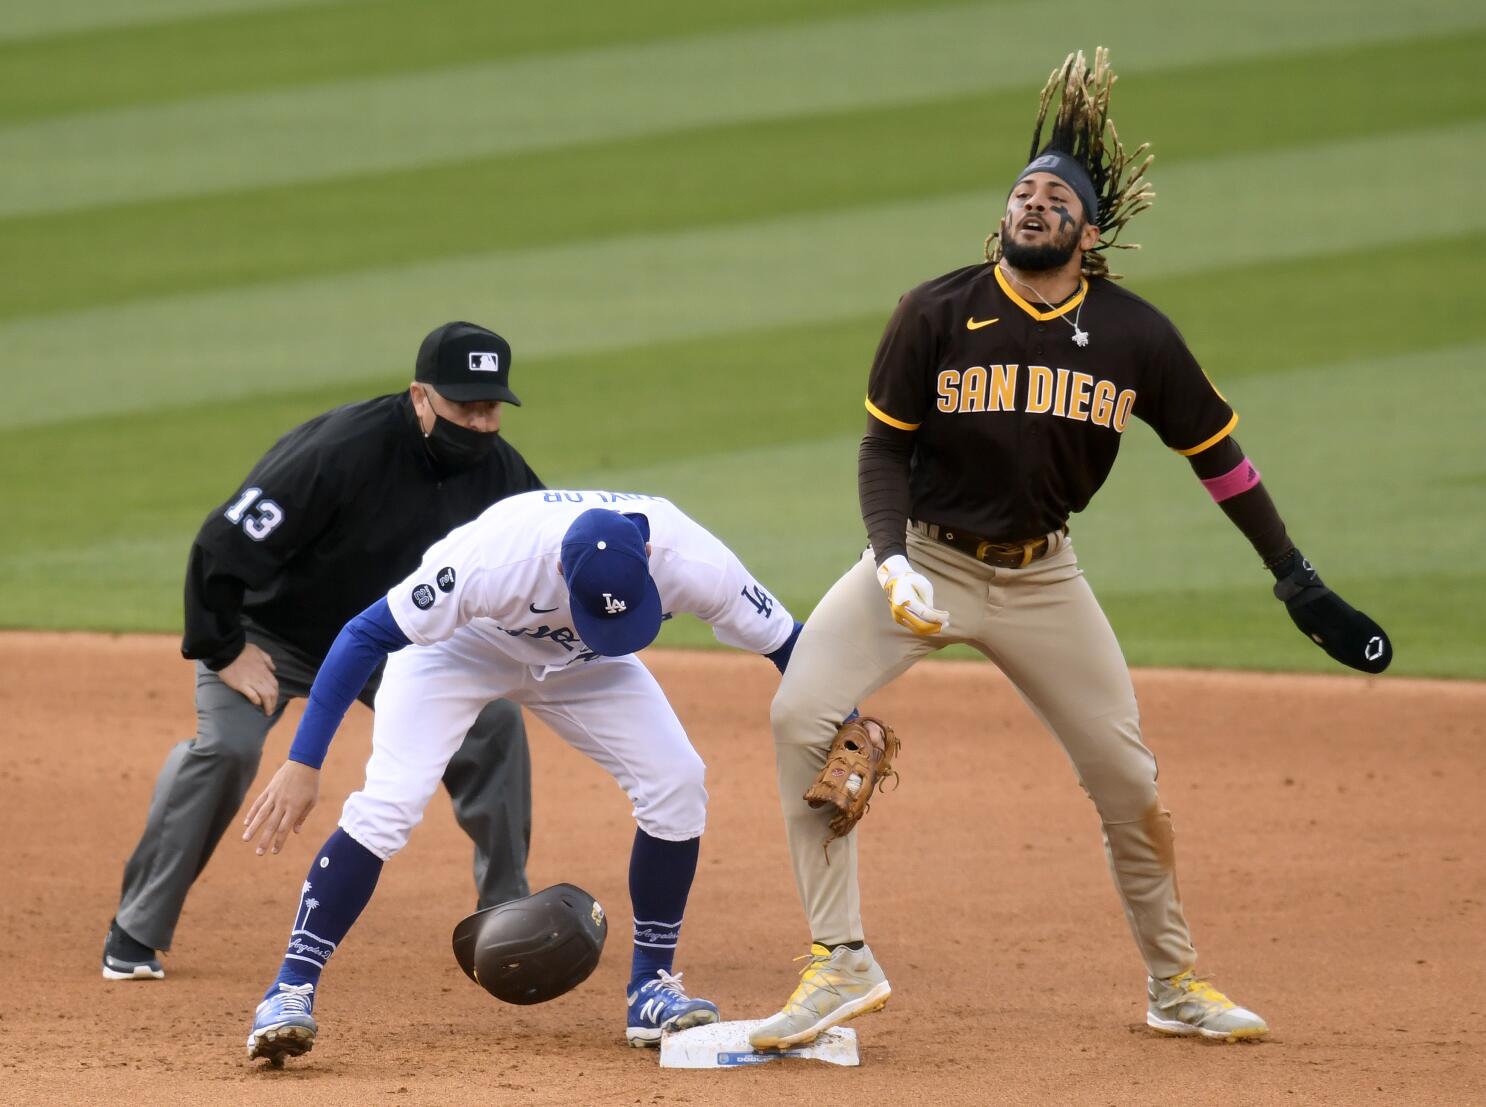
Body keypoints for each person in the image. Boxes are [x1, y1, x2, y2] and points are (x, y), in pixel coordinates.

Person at [750, 49, 1391, 1050]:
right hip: (924, 559)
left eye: (1057, 195)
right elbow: (884, 447)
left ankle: (1173, 984)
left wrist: (1293, 577)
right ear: (1002, 217)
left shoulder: (1137, 336)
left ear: (1088, 233)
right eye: (1023, 190)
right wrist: (890, 561)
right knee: (799, 713)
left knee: (1127, 781)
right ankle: (840, 962)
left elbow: (1218, 459)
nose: (1034, 200)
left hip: (1042, 580)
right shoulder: (935, 310)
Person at [238, 490, 802, 1064]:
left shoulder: (696, 561)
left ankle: (650, 987)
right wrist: (304, 761)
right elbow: (365, 633)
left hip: (587, 664)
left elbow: (788, 643)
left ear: (649, 555)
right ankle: (288, 989)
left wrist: (847, 719)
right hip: (460, 650)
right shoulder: (493, 560)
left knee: (677, 780)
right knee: (389, 806)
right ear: (560, 567)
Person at [102, 321, 544, 981]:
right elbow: (220, 544)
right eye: (463, 406)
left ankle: (507, 910)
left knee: (494, 726)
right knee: (226, 746)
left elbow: (550, 553)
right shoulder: (341, 450)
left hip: (394, 640)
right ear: (420, 396)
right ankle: (135, 929)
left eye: (490, 409)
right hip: (274, 636)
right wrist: (224, 648)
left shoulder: (502, 473)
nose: (479, 423)